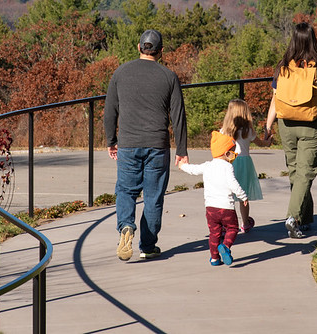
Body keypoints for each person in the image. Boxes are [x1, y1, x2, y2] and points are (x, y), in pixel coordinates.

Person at [104, 29, 188, 261]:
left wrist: (111, 140)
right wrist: (182, 150)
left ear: (139, 47)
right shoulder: (169, 76)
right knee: (153, 196)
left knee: (126, 190)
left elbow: (110, 111)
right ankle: (148, 246)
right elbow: (178, 115)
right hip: (157, 144)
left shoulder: (120, 72)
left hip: (128, 144)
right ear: (161, 51)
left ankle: (125, 226)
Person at [265, 22, 317, 239]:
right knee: (305, 172)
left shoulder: (283, 65)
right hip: (310, 123)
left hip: (286, 124)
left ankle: (303, 219)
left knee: (297, 172)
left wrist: (268, 126)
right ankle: (293, 217)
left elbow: (275, 99)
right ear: (312, 39)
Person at [178, 131, 248, 266]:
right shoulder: (227, 167)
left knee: (214, 233)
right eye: (233, 153)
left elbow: (193, 169)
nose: (234, 156)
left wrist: (183, 166)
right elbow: (233, 184)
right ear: (226, 153)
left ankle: (215, 258)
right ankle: (226, 246)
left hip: (210, 208)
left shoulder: (207, 166)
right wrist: (243, 196)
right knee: (232, 228)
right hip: (226, 207)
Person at [220, 98, 270, 233]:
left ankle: (227, 223)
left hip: (230, 163)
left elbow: (220, 149)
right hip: (245, 164)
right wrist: (268, 140)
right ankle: (245, 222)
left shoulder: (223, 131)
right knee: (243, 196)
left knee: (228, 195)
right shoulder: (248, 131)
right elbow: (261, 144)